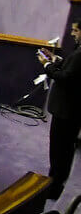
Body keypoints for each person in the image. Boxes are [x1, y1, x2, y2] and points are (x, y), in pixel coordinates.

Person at [42, 21, 81, 200]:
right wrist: (56, 60)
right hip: (72, 110)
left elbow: (66, 78)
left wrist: (46, 66)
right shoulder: (78, 51)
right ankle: (58, 180)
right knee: (65, 148)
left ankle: (54, 186)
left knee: (59, 149)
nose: (72, 33)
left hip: (66, 110)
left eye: (75, 30)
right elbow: (71, 68)